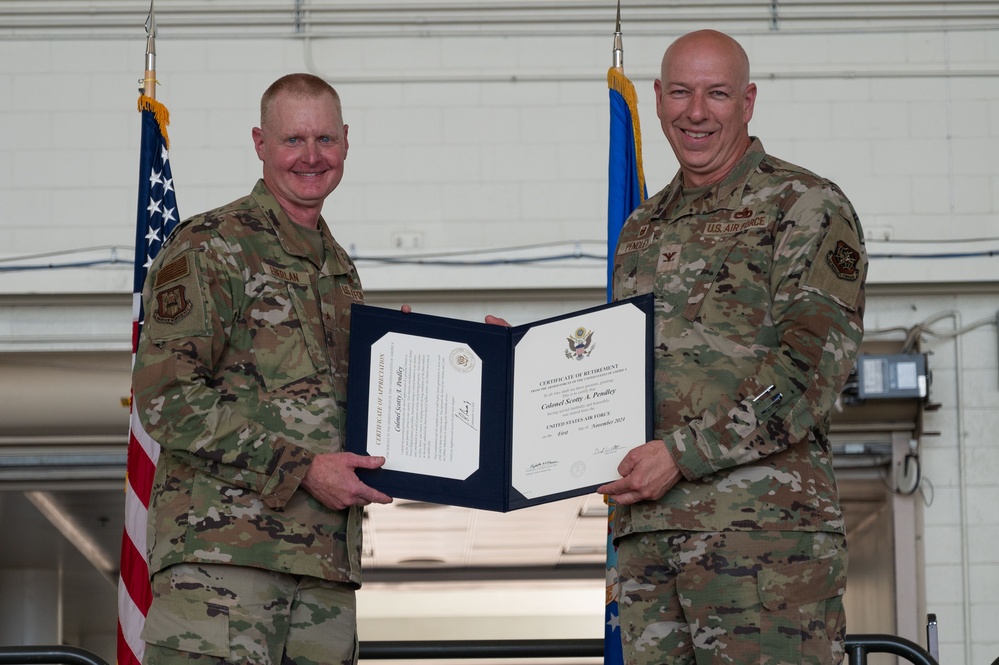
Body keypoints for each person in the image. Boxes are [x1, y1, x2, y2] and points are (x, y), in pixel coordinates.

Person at [597, 30, 867, 665]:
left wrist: (683, 454)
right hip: (649, 550)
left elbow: (808, 374)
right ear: (658, 99)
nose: (697, 112)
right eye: (682, 93)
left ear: (747, 101)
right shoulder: (642, 228)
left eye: (716, 94)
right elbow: (621, 368)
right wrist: (517, 372)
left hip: (764, 551)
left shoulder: (804, 206)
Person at [132, 73, 392, 665]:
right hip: (224, 567)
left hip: (324, 568)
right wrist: (302, 470)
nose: (311, 156)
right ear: (260, 143)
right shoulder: (210, 245)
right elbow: (168, 399)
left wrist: (426, 365)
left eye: (325, 139)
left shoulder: (339, 270)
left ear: (347, 142)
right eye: (293, 139)